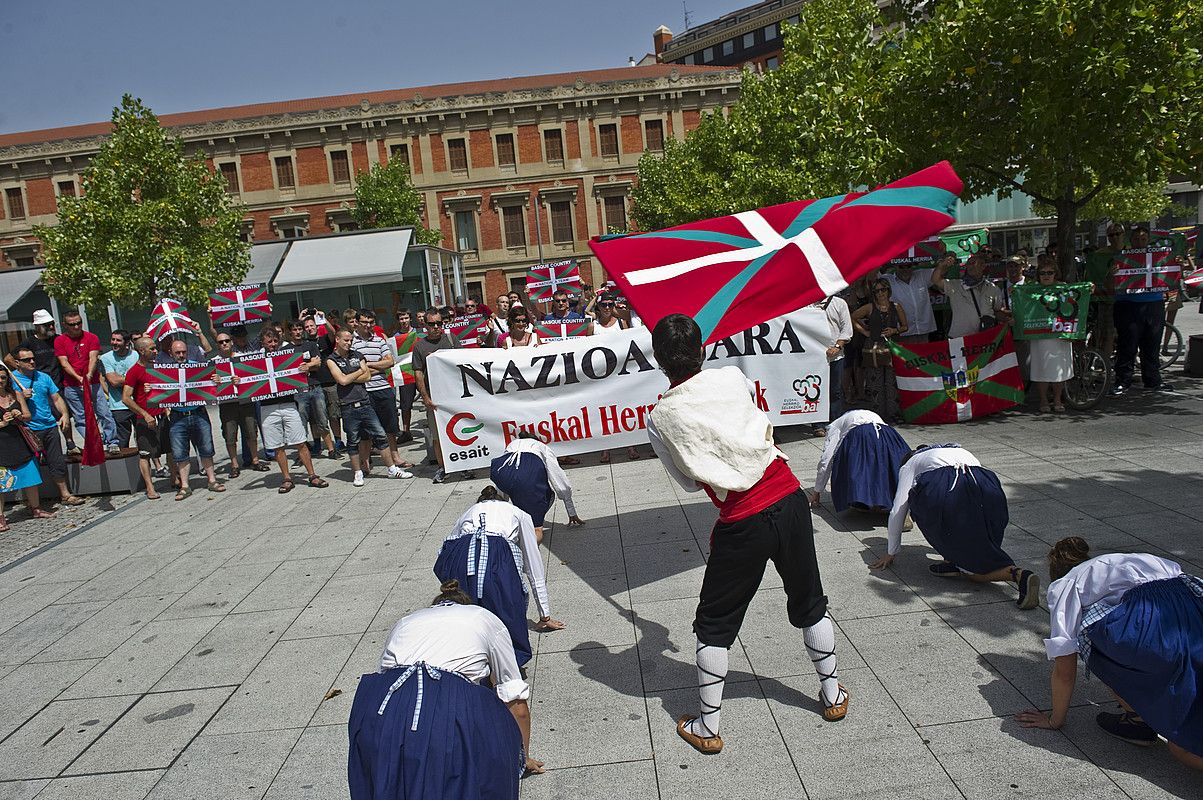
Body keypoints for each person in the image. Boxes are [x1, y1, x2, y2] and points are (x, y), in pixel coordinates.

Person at [647, 314, 847, 755]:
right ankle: (832, 695)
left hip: (742, 517)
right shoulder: (732, 378)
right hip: (789, 495)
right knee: (809, 598)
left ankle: (708, 725)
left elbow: (686, 482)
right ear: (702, 350)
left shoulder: (660, 417)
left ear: (659, 360)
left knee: (715, 624)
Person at [1016, 538, 1203, 771]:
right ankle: (1138, 720)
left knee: (1181, 746)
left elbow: (1065, 665)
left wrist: (1055, 720)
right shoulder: (1137, 559)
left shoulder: (1067, 583)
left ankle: (1140, 718)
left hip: (1146, 628)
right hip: (1193, 612)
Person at [348, 578, 541, 800]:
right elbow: (516, 702)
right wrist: (521, 757)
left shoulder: (405, 622)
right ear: (466, 604)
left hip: (383, 709)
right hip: (450, 701)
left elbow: (386, 679)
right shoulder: (484, 617)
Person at [871, 444, 1040, 610]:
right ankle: (954, 561)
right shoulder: (957, 450)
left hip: (945, 487)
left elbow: (898, 509)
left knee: (975, 575)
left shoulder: (911, 463)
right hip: (987, 486)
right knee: (965, 529)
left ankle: (1017, 574)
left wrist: (891, 552)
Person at [434, 486, 564, 667]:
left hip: (462, 552)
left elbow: (446, 546)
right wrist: (545, 615)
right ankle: (506, 666)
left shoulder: (470, 510)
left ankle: (464, 657)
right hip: (497, 552)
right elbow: (533, 566)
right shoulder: (519, 513)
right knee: (506, 604)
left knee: (464, 606)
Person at [326, 329, 411, 487]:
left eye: (350, 340)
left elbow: (367, 376)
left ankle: (392, 469)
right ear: (337, 340)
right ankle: (358, 472)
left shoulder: (357, 355)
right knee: (353, 440)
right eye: (345, 340)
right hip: (348, 406)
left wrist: (350, 375)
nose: (349, 343)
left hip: (365, 403)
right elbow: (342, 381)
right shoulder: (332, 359)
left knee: (380, 435)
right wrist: (358, 371)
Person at [255, 326, 329, 493]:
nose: (272, 344)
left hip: (289, 403)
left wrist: (306, 366)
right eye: (269, 342)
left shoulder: (288, 355)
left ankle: (312, 475)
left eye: (275, 341)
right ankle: (287, 478)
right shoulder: (256, 360)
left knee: (300, 441)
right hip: (268, 406)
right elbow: (246, 377)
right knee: (277, 445)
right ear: (262, 343)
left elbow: (311, 363)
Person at [10, 348, 85, 507]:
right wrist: (21, 397)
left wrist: (64, 415)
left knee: (56, 461)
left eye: (33, 358)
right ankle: (31, 502)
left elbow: (56, 398)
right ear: (17, 363)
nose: (32, 362)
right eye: (26, 360)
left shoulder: (43, 377)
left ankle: (65, 494)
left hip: (49, 425)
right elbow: (6, 403)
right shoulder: (11, 381)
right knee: (30, 465)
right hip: (27, 428)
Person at [490, 432, 585, 543]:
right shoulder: (542, 446)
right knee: (537, 528)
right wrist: (571, 511)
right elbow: (558, 478)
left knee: (518, 492)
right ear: (536, 440)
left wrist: (499, 508)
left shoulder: (512, 444)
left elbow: (507, 474)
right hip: (527, 474)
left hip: (502, 474)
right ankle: (528, 551)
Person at [809, 410, 909, 514]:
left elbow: (826, 459)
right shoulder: (867, 414)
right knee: (890, 463)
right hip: (889, 433)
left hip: (861, 434)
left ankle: (868, 500)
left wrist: (817, 491)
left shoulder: (834, 427)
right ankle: (897, 504)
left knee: (854, 464)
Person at [1110, 225, 1171, 394]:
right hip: (1127, 304)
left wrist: (1177, 261)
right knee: (1127, 345)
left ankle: (1152, 380)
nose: (1140, 242)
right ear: (1131, 240)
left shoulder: (1158, 256)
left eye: (1143, 239)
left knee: (1152, 344)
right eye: (1136, 239)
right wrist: (1113, 273)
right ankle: (1122, 381)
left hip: (1154, 303)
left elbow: (1169, 270)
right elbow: (1111, 281)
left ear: (1148, 240)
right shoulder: (1122, 257)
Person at [163, 338, 225, 500]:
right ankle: (185, 486)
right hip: (177, 416)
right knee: (180, 452)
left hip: (198, 412)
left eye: (184, 352)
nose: (181, 355)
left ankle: (212, 480)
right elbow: (157, 389)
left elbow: (212, 384)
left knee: (206, 448)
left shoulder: (198, 367)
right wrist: (150, 387)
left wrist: (216, 381)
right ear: (171, 353)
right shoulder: (165, 371)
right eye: (178, 352)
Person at [54, 310, 120, 454]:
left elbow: (93, 358)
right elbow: (64, 362)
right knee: (81, 417)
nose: (76, 327)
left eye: (79, 323)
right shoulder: (60, 341)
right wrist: (78, 378)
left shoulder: (91, 337)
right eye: (72, 324)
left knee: (104, 413)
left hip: (93, 383)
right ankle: (94, 443)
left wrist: (89, 374)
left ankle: (112, 442)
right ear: (65, 325)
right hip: (72, 385)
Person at [353, 309, 411, 470]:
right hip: (363, 391)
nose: (368, 325)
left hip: (383, 388)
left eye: (371, 322)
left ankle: (395, 457)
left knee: (390, 426)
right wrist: (378, 366)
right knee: (365, 430)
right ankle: (365, 463)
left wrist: (368, 366)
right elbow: (352, 369)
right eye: (364, 322)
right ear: (357, 322)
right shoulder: (351, 342)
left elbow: (390, 362)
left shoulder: (379, 340)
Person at [0, 367, 54, 531]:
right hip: (2, 443)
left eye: (3, 377)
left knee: (30, 476)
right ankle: (1, 518)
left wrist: (19, 415)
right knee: (1, 483)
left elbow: (28, 415)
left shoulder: (15, 394)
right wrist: (2, 423)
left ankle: (35, 508)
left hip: (19, 440)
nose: (0, 381)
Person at [412, 307, 461, 484]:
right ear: (425, 325)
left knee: (460, 430)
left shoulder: (451, 339)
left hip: (455, 395)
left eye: (439, 323)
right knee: (438, 436)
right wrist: (425, 398)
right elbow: (418, 374)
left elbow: (462, 363)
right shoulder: (420, 346)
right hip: (434, 397)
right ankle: (443, 467)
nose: (436, 327)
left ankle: (463, 465)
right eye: (432, 324)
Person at [121, 337, 173, 500]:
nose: (156, 351)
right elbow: (126, 398)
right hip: (145, 418)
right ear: (141, 351)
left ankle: (174, 478)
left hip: (162, 415)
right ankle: (150, 487)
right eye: (152, 349)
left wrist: (167, 407)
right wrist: (144, 414)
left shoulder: (158, 367)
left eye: (155, 348)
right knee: (145, 454)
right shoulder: (134, 371)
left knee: (170, 449)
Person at [211, 333, 269, 477]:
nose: (224, 343)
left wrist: (242, 380)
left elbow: (255, 377)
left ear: (232, 342)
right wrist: (214, 380)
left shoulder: (243, 359)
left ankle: (255, 461)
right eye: (220, 342)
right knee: (230, 435)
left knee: (251, 432)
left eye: (226, 341)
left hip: (245, 401)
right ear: (217, 345)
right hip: (227, 404)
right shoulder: (213, 363)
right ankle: (234, 465)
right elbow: (207, 386)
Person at [851, 278, 907, 422]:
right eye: (877, 291)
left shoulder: (896, 306)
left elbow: (905, 326)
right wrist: (865, 332)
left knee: (891, 382)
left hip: (891, 347)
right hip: (873, 348)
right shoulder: (869, 307)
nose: (880, 293)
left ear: (888, 290)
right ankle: (878, 415)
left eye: (883, 290)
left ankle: (894, 414)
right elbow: (853, 317)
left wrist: (895, 330)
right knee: (874, 382)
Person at [1029, 257, 1075, 413]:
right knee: (1041, 368)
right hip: (1040, 335)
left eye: (1050, 272)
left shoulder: (1064, 288)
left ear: (1056, 274)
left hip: (1059, 333)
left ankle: (1057, 399)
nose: (1046, 275)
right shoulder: (1031, 289)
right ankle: (1043, 400)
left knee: (1058, 368)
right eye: (1042, 273)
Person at [285, 319, 334, 459]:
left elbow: (318, 363)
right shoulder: (286, 349)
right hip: (299, 390)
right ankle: (302, 455)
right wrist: (307, 365)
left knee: (323, 420)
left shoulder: (311, 345)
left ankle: (331, 450)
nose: (298, 332)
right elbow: (286, 369)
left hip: (315, 387)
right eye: (295, 330)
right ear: (290, 332)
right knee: (301, 423)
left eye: (300, 329)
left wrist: (308, 366)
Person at [933, 252, 1010, 339]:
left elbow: (997, 311)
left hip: (984, 338)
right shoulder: (956, 285)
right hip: (959, 338)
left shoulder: (993, 288)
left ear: (983, 266)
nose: (970, 266)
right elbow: (936, 280)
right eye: (968, 264)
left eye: (974, 263)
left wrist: (1006, 318)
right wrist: (942, 266)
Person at [812, 293, 853, 433]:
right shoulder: (807, 304)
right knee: (816, 390)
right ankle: (818, 424)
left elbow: (846, 329)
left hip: (836, 355)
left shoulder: (839, 303)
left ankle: (835, 422)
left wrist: (837, 346)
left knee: (835, 390)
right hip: (814, 356)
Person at [1084, 224, 1124, 358]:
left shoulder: (1132, 252)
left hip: (1129, 299)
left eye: (1118, 234)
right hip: (1107, 301)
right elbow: (1092, 279)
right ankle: (1105, 366)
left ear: (1123, 234)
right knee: (1108, 334)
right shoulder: (1098, 256)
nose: (1115, 237)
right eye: (1111, 235)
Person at [304, 315, 342, 456]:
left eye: (311, 325)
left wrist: (323, 318)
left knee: (334, 415)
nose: (309, 328)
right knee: (315, 418)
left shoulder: (325, 338)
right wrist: (301, 318)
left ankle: (338, 441)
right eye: (306, 326)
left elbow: (333, 334)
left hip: (330, 382)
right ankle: (317, 444)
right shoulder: (304, 343)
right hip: (313, 384)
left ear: (316, 326)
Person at [99, 330, 138, 448]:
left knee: (145, 440)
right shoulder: (106, 358)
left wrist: (124, 379)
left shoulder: (136, 355)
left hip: (137, 404)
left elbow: (144, 376)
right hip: (118, 406)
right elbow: (113, 381)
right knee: (122, 443)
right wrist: (135, 379)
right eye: (113, 339)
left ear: (126, 343)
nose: (114, 343)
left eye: (118, 340)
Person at [883, 261, 938, 343]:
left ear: (912, 266)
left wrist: (946, 261)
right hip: (900, 333)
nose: (905, 269)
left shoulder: (921, 274)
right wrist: (884, 264)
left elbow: (941, 271)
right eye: (901, 266)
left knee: (922, 355)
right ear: (895, 266)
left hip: (923, 331)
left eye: (908, 266)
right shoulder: (887, 280)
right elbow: (871, 277)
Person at [390, 309, 420, 445]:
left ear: (410, 319)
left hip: (421, 371)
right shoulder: (395, 338)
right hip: (406, 374)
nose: (404, 321)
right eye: (401, 319)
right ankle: (406, 431)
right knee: (405, 405)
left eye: (406, 318)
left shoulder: (418, 333)